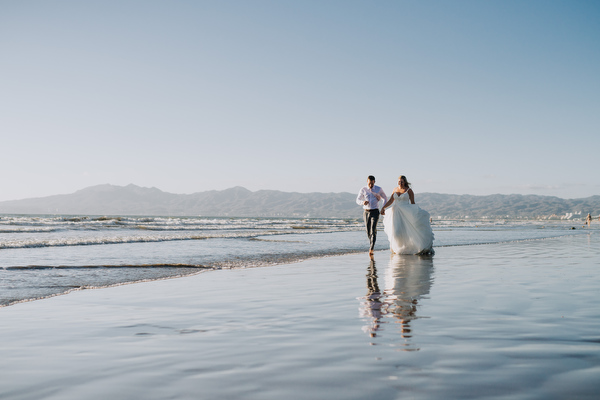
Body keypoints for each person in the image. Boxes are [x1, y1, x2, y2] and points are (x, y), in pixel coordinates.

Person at [381, 175, 434, 255]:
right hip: (396, 213)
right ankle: (399, 248)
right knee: (396, 232)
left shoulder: (409, 191)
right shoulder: (395, 189)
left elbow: (413, 203)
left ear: (405, 182)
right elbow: (391, 200)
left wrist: (416, 214)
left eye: (402, 181)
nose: (400, 183)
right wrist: (383, 207)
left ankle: (414, 247)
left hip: (406, 213)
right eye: (399, 181)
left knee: (407, 231)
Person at [356, 175, 388, 255]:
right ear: (367, 182)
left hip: (375, 211)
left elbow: (385, 198)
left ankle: (371, 248)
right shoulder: (363, 189)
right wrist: (362, 202)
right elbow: (358, 199)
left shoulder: (378, 189)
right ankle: (371, 243)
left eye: (372, 184)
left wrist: (383, 207)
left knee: (373, 230)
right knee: (368, 230)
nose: (371, 185)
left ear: (374, 182)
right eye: (369, 183)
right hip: (366, 212)